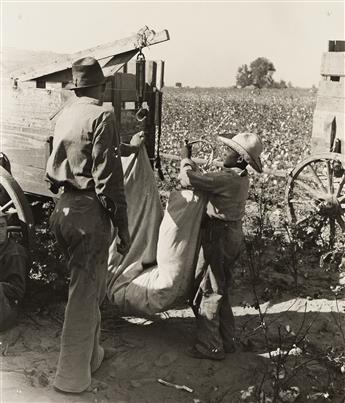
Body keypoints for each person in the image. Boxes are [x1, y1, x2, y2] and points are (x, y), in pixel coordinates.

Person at [46, 57, 130, 393]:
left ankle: (91, 357)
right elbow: (108, 180)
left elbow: (61, 157)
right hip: (88, 214)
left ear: (75, 86)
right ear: (102, 84)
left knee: (89, 286)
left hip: (63, 209)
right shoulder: (103, 114)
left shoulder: (66, 112)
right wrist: (122, 227)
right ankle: (69, 378)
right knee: (84, 294)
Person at [179, 132, 263, 360]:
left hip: (220, 235)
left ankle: (210, 346)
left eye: (228, 152)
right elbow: (209, 180)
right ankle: (227, 340)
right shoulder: (239, 177)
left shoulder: (227, 179)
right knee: (219, 287)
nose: (224, 154)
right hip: (231, 234)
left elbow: (188, 180)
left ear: (238, 159)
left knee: (210, 289)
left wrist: (185, 159)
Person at [0, 211, 29, 332]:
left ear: (7, 227)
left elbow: (17, 291)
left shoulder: (14, 254)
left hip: (6, 308)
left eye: (1, 226)